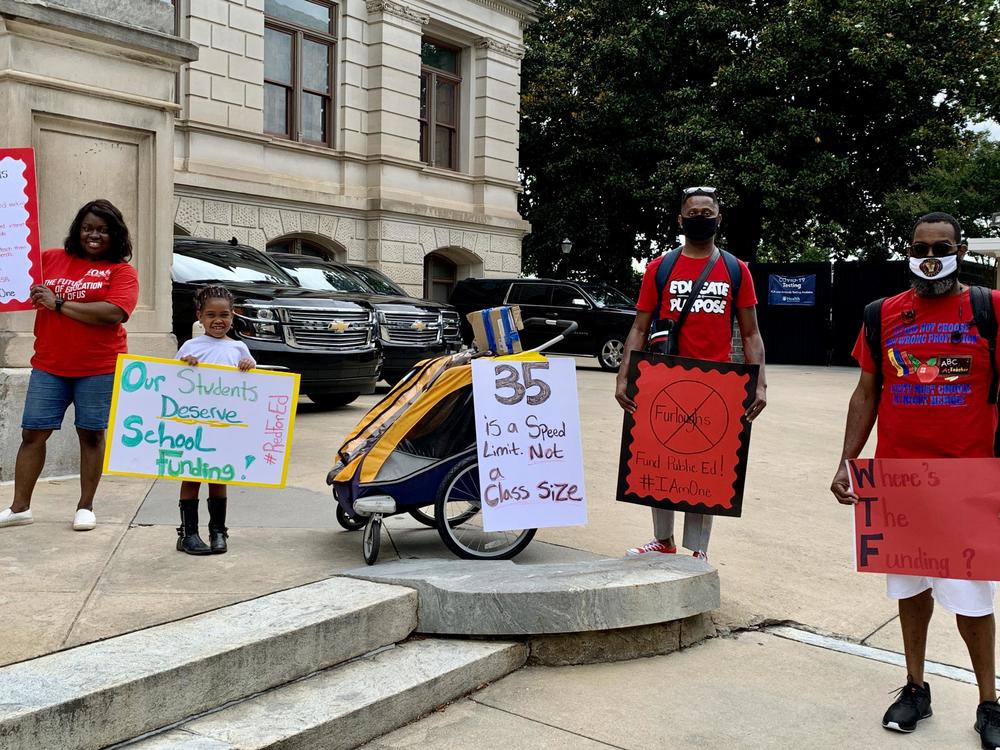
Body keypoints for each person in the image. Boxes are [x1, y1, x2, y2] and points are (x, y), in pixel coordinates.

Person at [831, 212, 1000, 747]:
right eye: (921, 246)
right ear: (908, 250)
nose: (931, 255)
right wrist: (846, 459)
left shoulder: (988, 309)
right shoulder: (882, 314)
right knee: (911, 590)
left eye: (942, 245)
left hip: (967, 480)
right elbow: (866, 392)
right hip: (899, 477)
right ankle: (915, 688)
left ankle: (989, 702)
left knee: (973, 600)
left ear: (960, 248)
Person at [615, 186, 767, 560]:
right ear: (680, 220)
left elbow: (750, 332)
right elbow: (639, 327)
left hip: (717, 383)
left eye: (707, 212)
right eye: (693, 213)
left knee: (707, 464)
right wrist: (624, 375)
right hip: (663, 379)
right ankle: (663, 540)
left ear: (719, 218)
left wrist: (759, 382)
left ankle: (698, 550)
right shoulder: (660, 268)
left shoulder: (735, 269)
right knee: (659, 458)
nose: (700, 217)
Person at [0, 200, 138, 531]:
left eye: (103, 230)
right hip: (50, 364)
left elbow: (112, 313)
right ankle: (20, 507)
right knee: (33, 433)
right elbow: (14, 274)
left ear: (114, 235)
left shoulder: (121, 272)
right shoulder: (49, 260)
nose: (94, 235)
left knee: (91, 434)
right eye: (88, 227)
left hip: (98, 366)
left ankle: (85, 506)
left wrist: (59, 303)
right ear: (78, 229)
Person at [174, 285, 255, 555]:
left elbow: (253, 386)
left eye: (224, 315)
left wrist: (248, 367)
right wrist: (184, 364)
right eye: (210, 315)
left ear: (233, 316)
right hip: (193, 426)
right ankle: (188, 533)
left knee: (219, 477)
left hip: (223, 425)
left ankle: (218, 531)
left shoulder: (239, 348)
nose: (218, 320)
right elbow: (171, 380)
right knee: (191, 477)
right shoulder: (190, 346)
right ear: (199, 316)